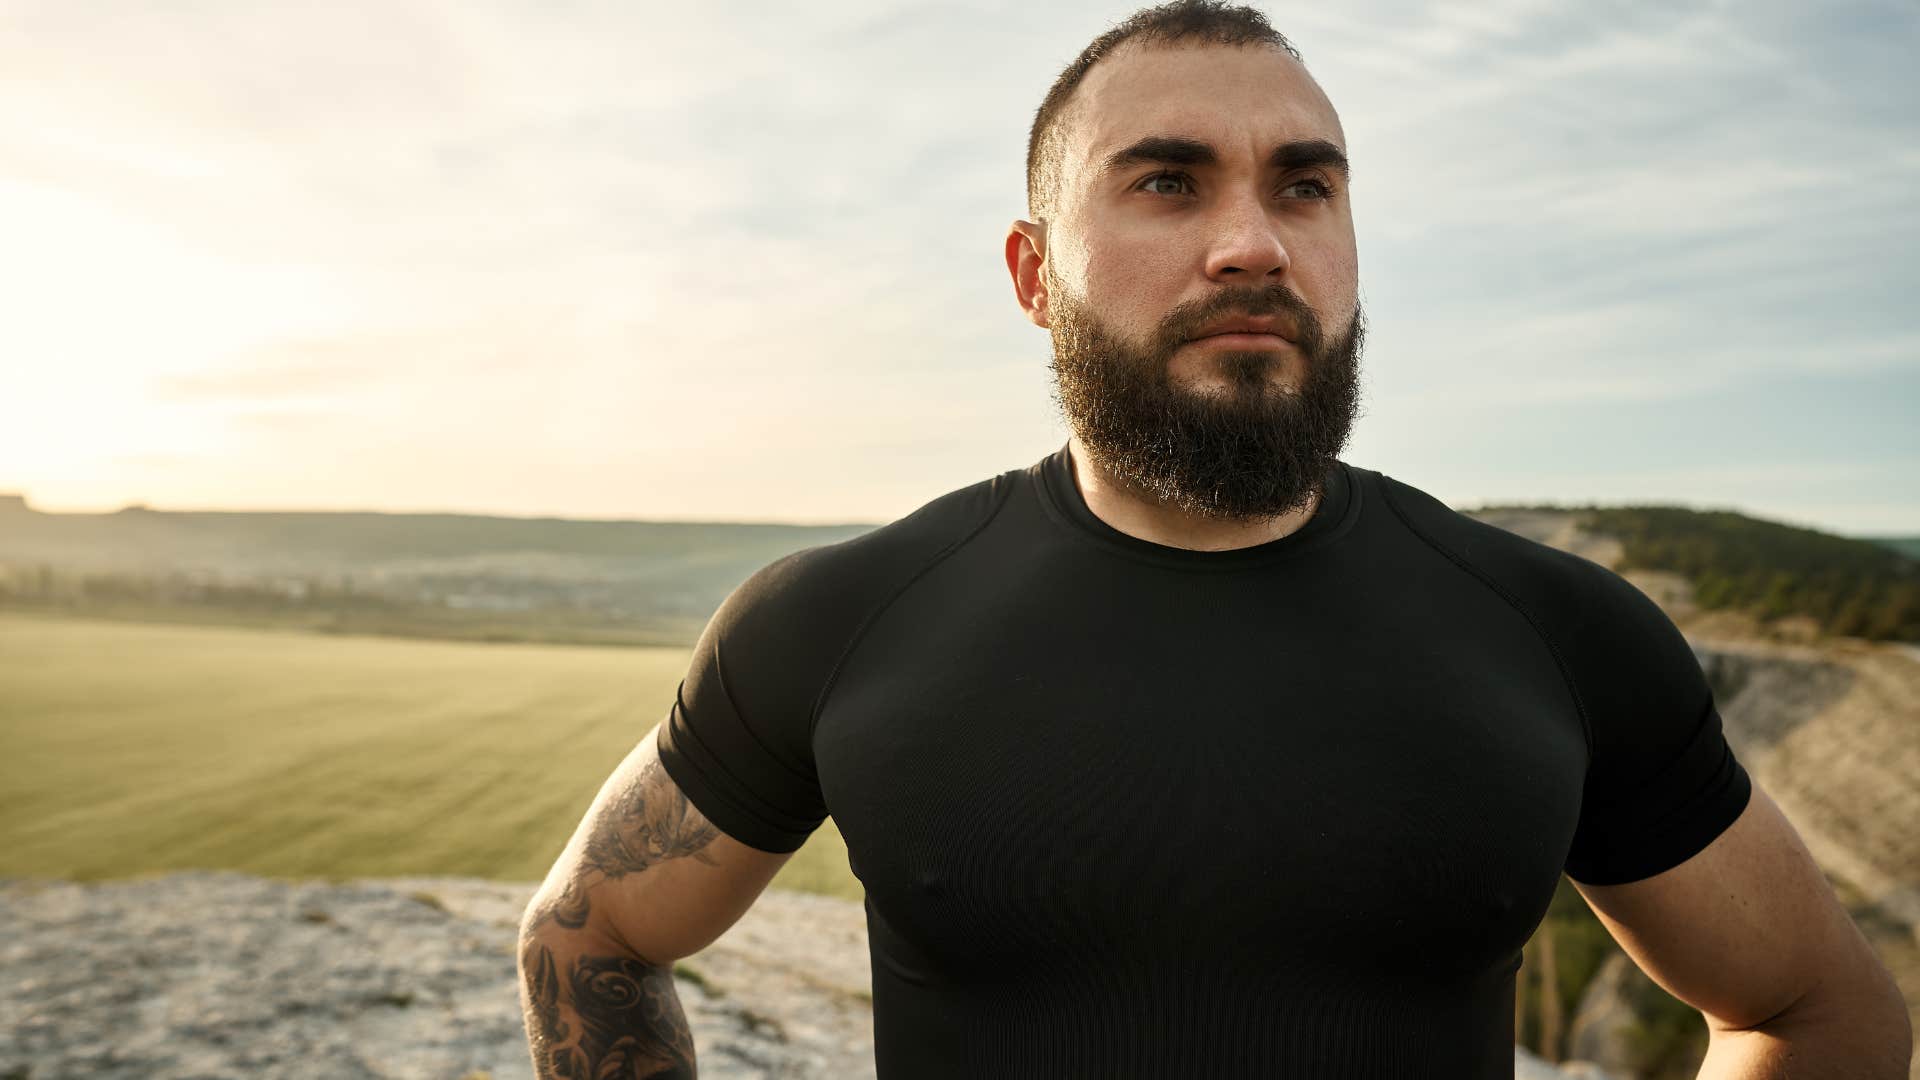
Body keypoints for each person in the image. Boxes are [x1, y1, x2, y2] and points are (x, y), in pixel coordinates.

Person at [515, 2, 1912, 1077]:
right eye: (1168, 183)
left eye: (1304, 186)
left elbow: (1816, 1004)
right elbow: (592, 937)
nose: (1254, 242)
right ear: (1033, 272)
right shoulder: (838, 619)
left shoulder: (1560, 632)